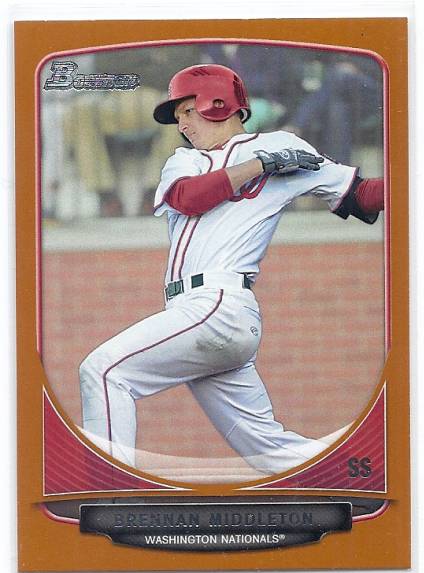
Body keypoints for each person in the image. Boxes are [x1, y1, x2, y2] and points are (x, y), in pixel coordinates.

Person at [79, 64, 384, 476]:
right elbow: (188, 198)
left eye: (187, 111)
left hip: (218, 304)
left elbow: (361, 195)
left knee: (102, 371)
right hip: (198, 314)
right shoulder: (185, 160)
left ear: (218, 104)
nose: (182, 125)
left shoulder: (282, 145)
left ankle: (108, 487)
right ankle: (360, 473)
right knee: (270, 451)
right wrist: (259, 166)